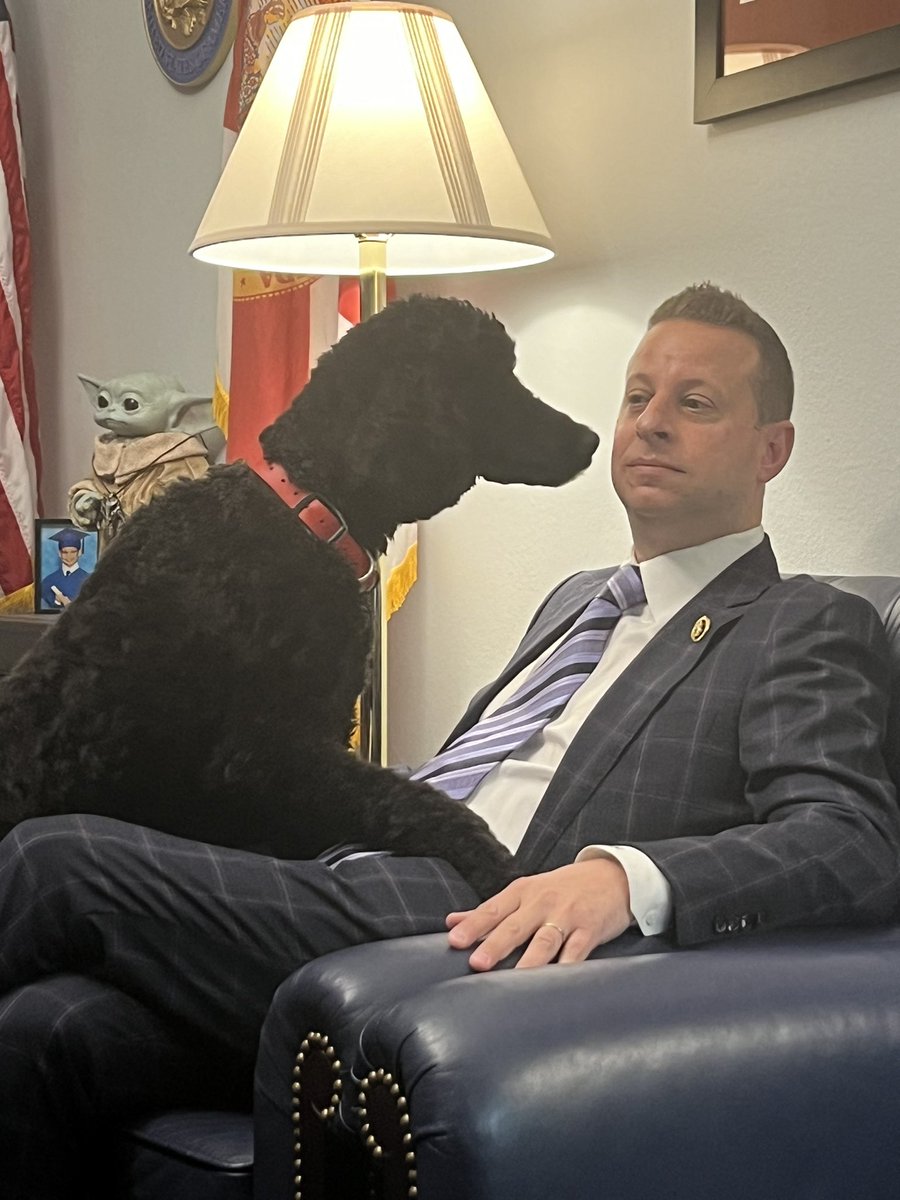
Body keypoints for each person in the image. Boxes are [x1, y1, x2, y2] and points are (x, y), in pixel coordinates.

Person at [1, 283, 897, 1197]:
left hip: (477, 916)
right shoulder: (575, 603)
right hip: (347, 882)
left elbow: (850, 838)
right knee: (45, 1028)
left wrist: (623, 878)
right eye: (637, 397)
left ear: (771, 449)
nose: (652, 423)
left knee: (48, 863)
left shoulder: (801, 621)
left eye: (695, 403)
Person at [38, 526, 92, 609]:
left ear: (79, 552)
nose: (69, 556)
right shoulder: (47, 582)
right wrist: (57, 601)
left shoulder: (89, 581)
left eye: (73, 552)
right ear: (59, 553)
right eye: (65, 552)